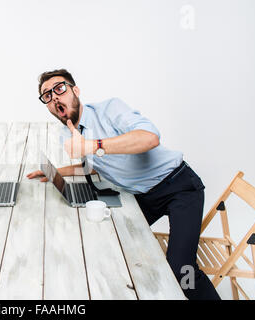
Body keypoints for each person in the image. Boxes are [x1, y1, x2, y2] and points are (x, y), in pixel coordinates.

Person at [27, 69, 221, 300]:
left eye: (59, 89)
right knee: (105, 243)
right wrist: (56, 172)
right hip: (142, 197)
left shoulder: (110, 109)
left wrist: (90, 145)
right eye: (47, 96)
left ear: (75, 90)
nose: (54, 97)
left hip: (178, 186)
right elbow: (94, 166)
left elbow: (150, 138)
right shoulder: (66, 134)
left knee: (181, 271)